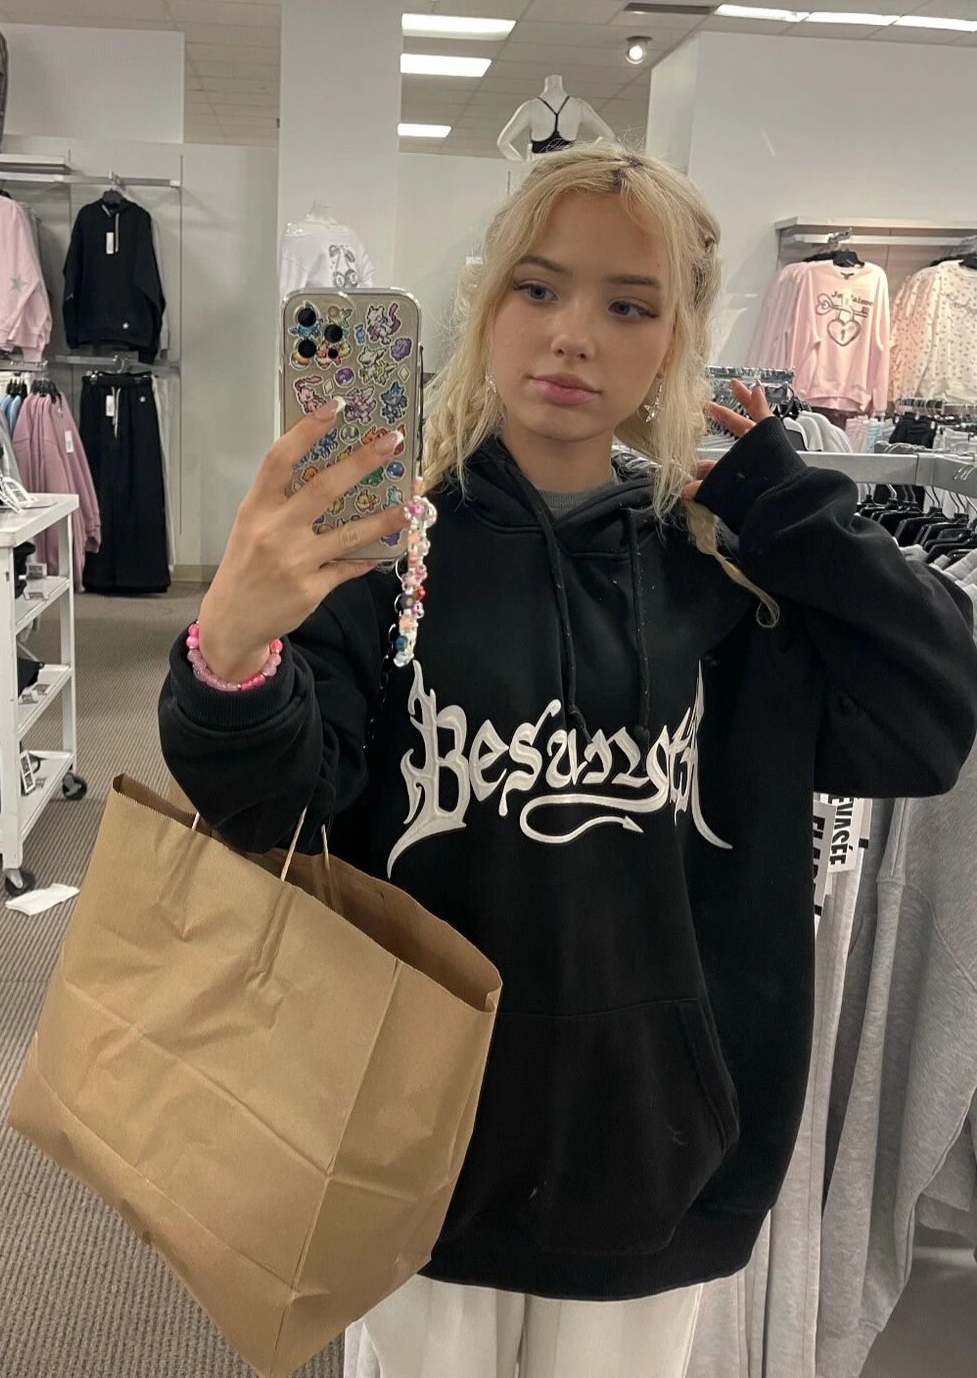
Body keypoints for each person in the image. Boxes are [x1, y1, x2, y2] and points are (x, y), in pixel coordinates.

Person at [158, 143, 977, 1378]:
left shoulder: (731, 578)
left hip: (653, 1154)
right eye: (537, 288)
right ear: (487, 305)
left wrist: (788, 507)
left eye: (629, 306)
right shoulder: (386, 553)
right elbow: (271, 810)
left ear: (676, 338)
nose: (573, 336)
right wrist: (231, 646)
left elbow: (931, 717)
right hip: (410, 1146)